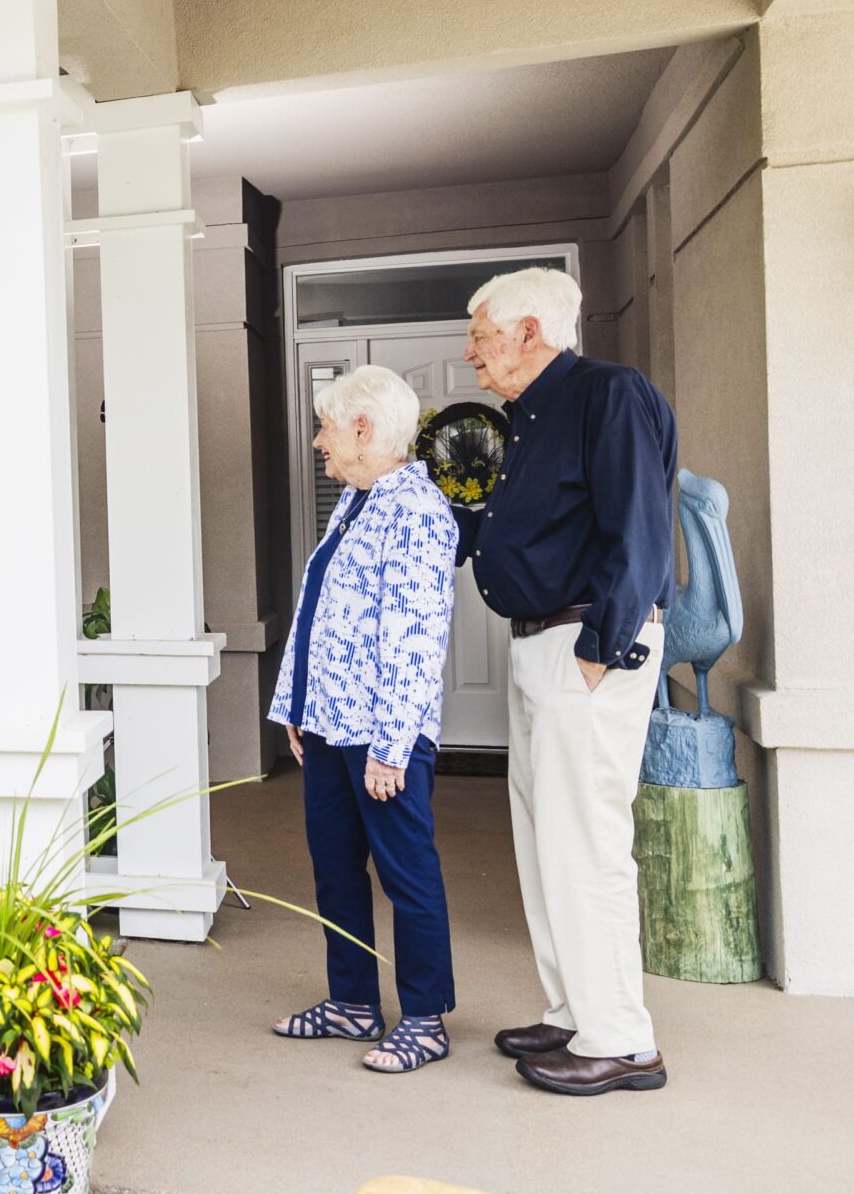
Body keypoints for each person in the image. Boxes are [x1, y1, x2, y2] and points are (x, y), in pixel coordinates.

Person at [463, 267, 678, 1096]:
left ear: (528, 331)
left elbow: (641, 529)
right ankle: (572, 1012)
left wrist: (601, 648)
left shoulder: (608, 394)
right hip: (540, 646)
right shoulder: (527, 418)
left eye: (481, 334)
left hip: (586, 644)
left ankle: (622, 1039)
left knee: (586, 844)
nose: (473, 353)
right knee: (543, 840)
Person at [266, 365, 462, 1074]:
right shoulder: (356, 502)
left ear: (362, 428)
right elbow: (318, 612)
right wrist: (296, 705)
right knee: (336, 871)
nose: (319, 442)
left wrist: (393, 746)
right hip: (329, 725)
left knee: (406, 873)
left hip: (381, 735)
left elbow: (413, 640)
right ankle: (351, 1002)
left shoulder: (415, 511)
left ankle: (425, 1018)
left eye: (325, 427)